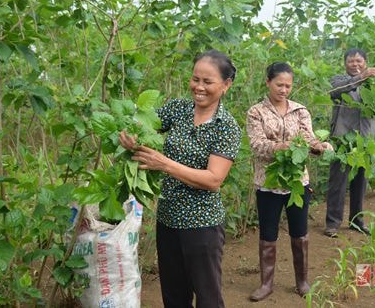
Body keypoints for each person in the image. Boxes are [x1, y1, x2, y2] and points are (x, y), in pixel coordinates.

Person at [119, 50, 241, 308]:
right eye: (195, 79)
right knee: (174, 297)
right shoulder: (178, 109)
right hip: (168, 220)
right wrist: (131, 132)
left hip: (202, 226)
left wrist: (164, 164)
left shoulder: (226, 126)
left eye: (208, 82)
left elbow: (213, 179)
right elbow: (143, 125)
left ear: (226, 85)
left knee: (208, 299)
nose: (199, 87)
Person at [246, 62, 333, 301]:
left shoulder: (300, 110)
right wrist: (282, 147)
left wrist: (319, 147)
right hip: (268, 181)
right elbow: (256, 145)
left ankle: (302, 282)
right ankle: (266, 284)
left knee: (300, 231)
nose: (284, 90)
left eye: (288, 86)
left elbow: (308, 138)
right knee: (268, 233)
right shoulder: (256, 112)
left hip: (297, 182)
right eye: (279, 85)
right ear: (268, 83)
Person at [324, 48, 375, 238]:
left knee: (360, 182)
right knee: (338, 183)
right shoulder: (339, 81)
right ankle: (333, 223)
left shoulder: (374, 85)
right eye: (351, 61)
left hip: (365, 141)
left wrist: (370, 82)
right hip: (342, 139)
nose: (355, 64)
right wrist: (361, 77)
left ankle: (357, 221)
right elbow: (334, 92)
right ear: (344, 64)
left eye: (359, 61)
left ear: (366, 61)